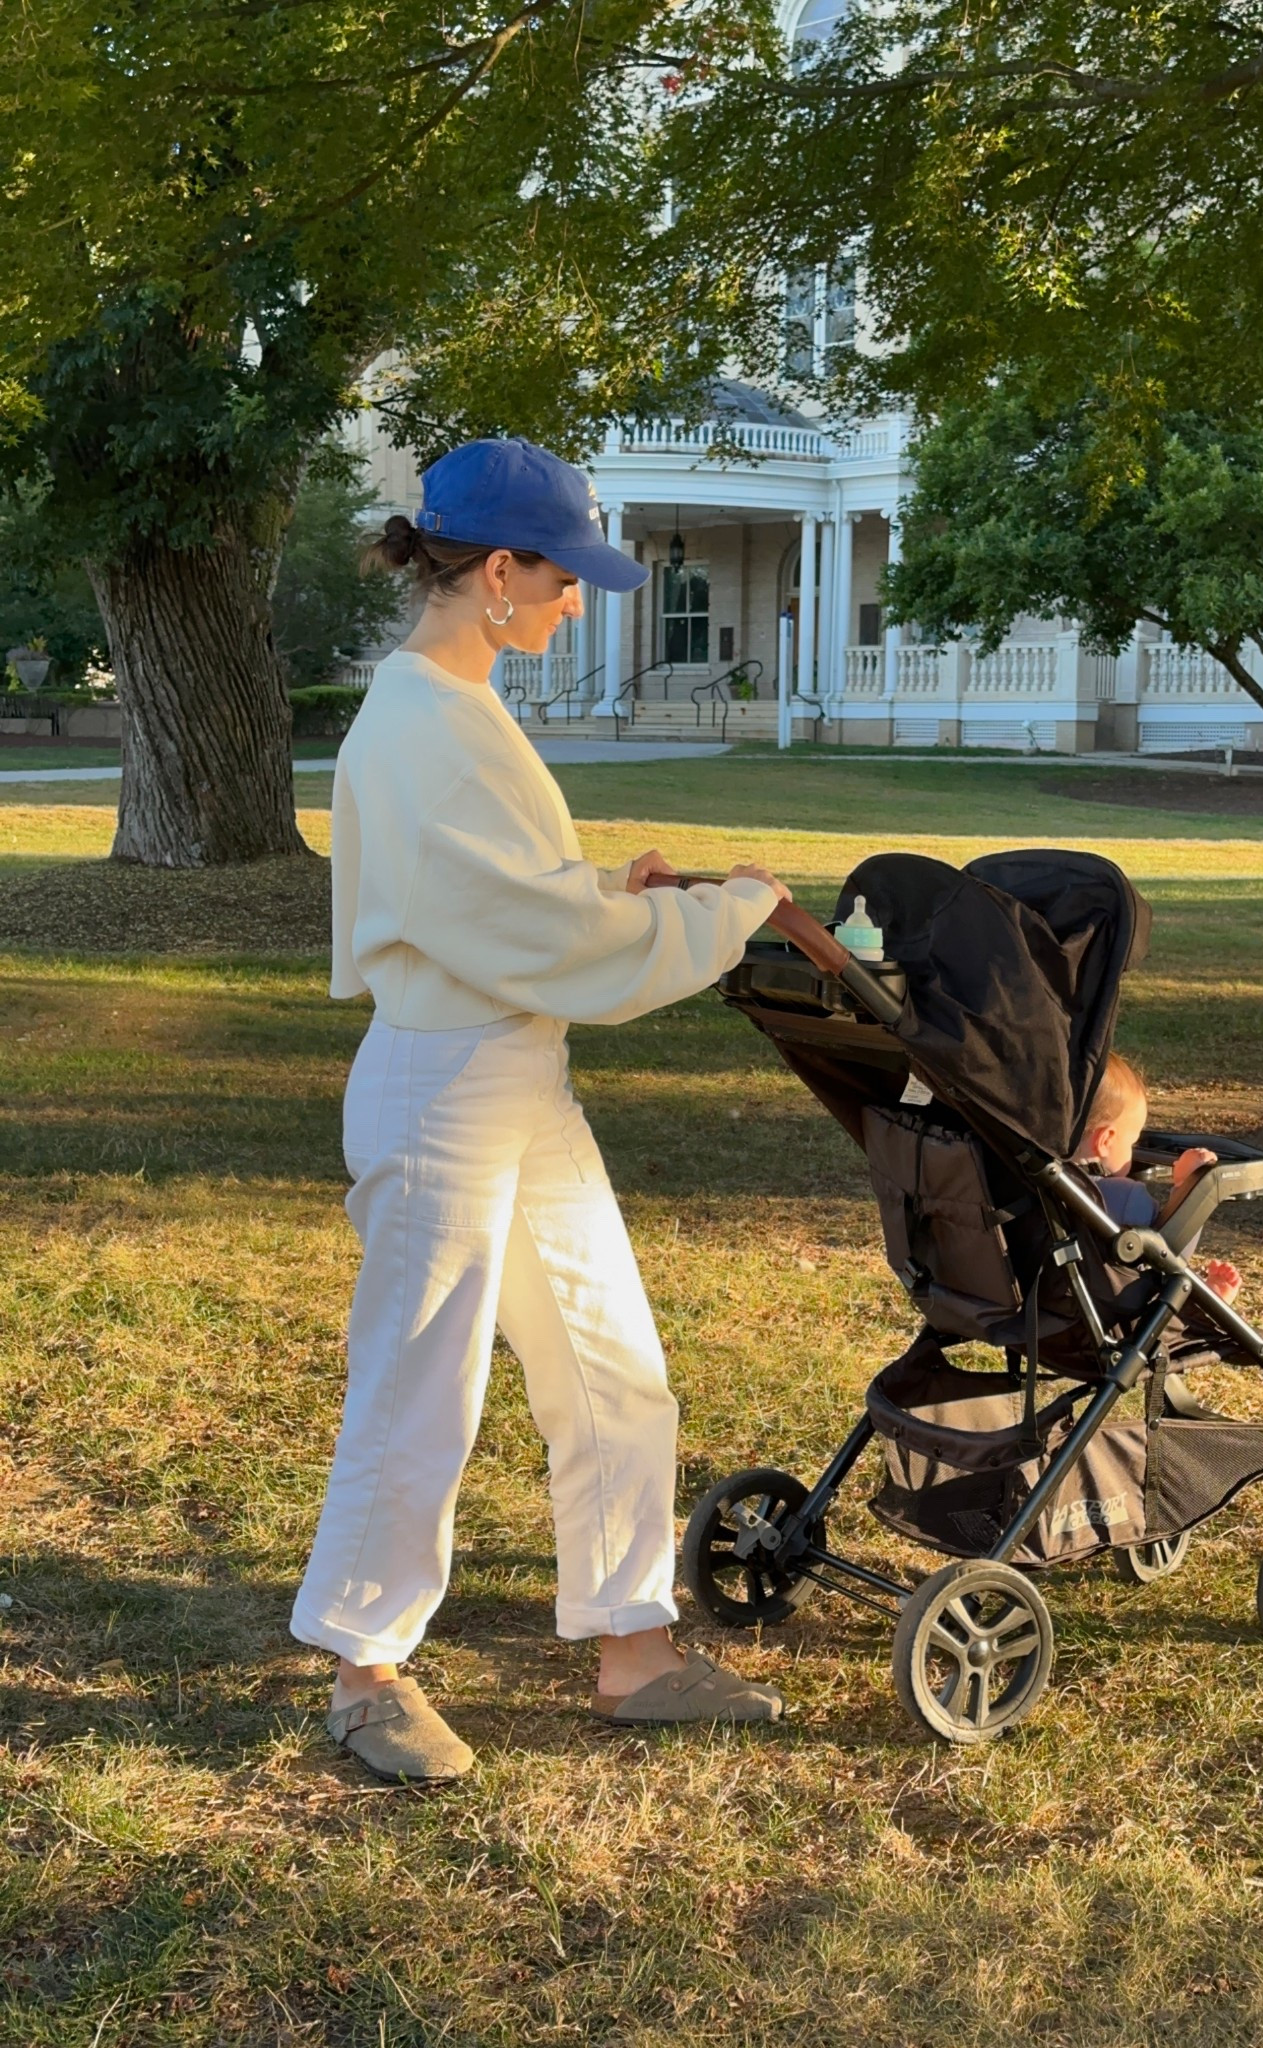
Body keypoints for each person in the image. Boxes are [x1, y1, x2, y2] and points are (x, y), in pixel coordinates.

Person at [291, 437, 793, 1783]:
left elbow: (518, 906)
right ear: (499, 572)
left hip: (513, 1070)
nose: (579, 603)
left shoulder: (457, 705)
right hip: (443, 1085)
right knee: (422, 1382)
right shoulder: (424, 726)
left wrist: (608, 898)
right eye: (565, 579)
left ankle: (633, 1648)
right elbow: (528, 933)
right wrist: (724, 913)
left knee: (612, 1361)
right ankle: (364, 1670)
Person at [1072, 1052, 1241, 1302]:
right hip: (1116, 1319)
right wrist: (1187, 1186)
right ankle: (1203, 1304)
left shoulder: (1019, 1184)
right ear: (1105, 1140)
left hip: (1040, 1318)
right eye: (1132, 1141)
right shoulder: (1123, 1198)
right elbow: (1169, 1255)